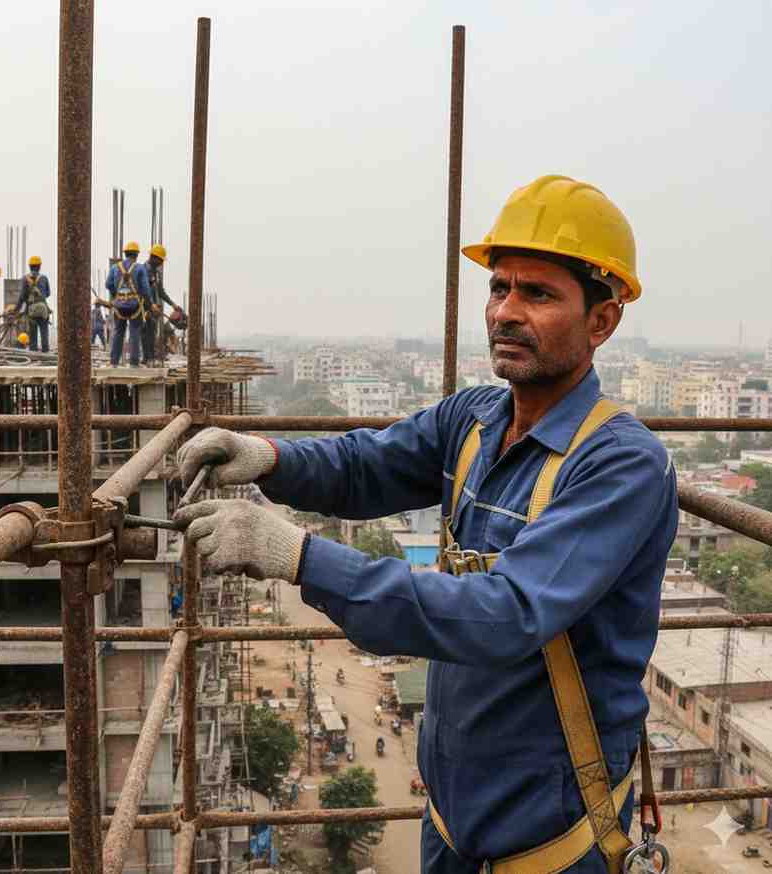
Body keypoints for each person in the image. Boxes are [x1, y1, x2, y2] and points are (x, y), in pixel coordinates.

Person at [173, 175, 679, 873]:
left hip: (557, 840)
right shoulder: (472, 419)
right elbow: (364, 466)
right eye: (499, 288)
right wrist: (267, 457)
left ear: (602, 321)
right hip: (450, 818)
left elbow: (506, 615)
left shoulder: (621, 466)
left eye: (538, 293)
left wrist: (296, 557)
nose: (506, 311)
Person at [105, 241, 152, 368]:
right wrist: (149, 303)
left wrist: (117, 295)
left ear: (125, 253)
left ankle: (114, 362)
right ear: (136, 254)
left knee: (118, 331)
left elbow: (108, 284)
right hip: (135, 306)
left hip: (119, 307)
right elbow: (146, 289)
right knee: (134, 332)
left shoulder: (115, 267)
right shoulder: (140, 268)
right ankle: (134, 363)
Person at [142, 244, 178, 365]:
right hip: (144, 306)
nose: (162, 262)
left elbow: (161, 292)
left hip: (154, 308)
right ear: (153, 257)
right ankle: (146, 358)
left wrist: (172, 304)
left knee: (152, 333)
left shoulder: (157, 273)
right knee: (145, 333)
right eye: (160, 260)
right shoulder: (142, 270)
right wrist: (150, 305)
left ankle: (150, 358)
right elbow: (141, 290)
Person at [16, 256, 51, 352]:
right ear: (39, 266)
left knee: (33, 333)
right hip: (43, 309)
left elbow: (22, 296)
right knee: (44, 332)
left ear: (30, 266)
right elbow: (48, 294)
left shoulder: (25, 278)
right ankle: (45, 351)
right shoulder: (44, 278)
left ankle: (34, 351)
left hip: (32, 309)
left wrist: (16, 309)